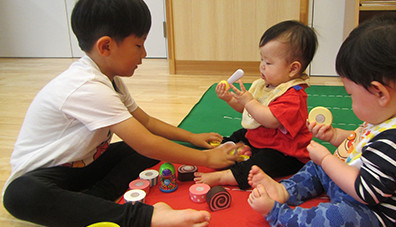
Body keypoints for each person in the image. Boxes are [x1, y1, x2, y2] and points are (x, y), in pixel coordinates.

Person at [2, 0, 239, 226]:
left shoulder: (109, 80)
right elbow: (146, 143)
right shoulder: (86, 86)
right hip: (47, 176)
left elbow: (145, 122)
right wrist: (207, 158)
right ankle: (142, 217)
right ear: (106, 46)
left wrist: (190, 137)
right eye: (138, 45)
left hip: (84, 165)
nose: (144, 54)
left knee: (145, 147)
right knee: (20, 196)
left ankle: (93, 202)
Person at [247, 14, 396, 226]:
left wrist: (327, 159)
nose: (351, 102)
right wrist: (336, 136)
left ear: (380, 93)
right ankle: (285, 190)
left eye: (351, 94)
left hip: (378, 214)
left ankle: (281, 215)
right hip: (358, 184)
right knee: (317, 166)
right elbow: (365, 141)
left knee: (336, 215)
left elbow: (367, 193)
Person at [194, 20, 318, 190]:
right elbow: (249, 112)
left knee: (261, 164)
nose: (261, 66)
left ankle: (224, 177)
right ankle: (223, 150)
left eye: (268, 63)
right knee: (240, 134)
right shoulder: (266, 86)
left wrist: (249, 101)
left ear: (292, 69)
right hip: (261, 138)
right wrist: (229, 99)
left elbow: (271, 120)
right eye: (261, 59)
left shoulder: (293, 96)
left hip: (285, 153)